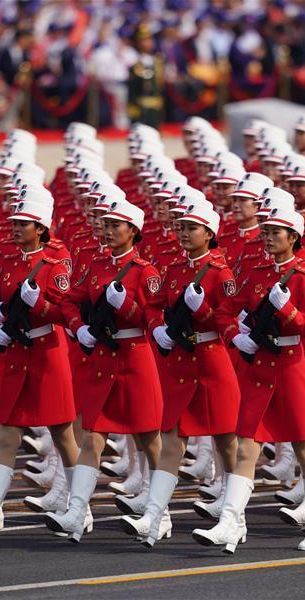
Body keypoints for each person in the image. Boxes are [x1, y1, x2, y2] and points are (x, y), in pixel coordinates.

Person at [194, 204, 305, 553]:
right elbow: (226, 309)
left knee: (304, 448)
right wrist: (234, 333)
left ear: (293, 238)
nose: (267, 238)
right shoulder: (256, 271)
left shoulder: (303, 278)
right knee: (246, 446)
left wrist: (289, 311)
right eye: (265, 232)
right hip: (258, 366)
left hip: (291, 365)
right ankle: (230, 522)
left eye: (275, 233)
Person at [0, 196, 79, 539]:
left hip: (46, 352)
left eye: (23, 224)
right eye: (14, 222)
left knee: (62, 434)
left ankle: (78, 506)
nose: (15, 228)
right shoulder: (6, 259)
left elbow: (63, 311)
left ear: (41, 228)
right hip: (14, 352)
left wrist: (37, 302)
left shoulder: (56, 261)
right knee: (7, 432)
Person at [120, 201, 241, 547]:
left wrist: (202, 309)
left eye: (192, 228)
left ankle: (237, 517)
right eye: (182, 227)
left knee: (225, 440)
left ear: (210, 234)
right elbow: (155, 306)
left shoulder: (221, 273)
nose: (184, 234)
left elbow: (227, 317)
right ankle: (154, 517)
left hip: (212, 360)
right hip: (180, 362)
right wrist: (157, 327)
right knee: (172, 438)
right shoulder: (172, 269)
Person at [48, 199, 164, 542]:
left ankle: (161, 512)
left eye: (117, 225)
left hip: (135, 357)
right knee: (93, 434)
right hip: (103, 356)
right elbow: (68, 300)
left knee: (149, 438)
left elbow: (154, 319)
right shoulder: (97, 266)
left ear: (134, 231)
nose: (109, 231)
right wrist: (77, 327)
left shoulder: (146, 272)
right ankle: (76, 510)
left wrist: (126, 306)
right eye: (107, 224)